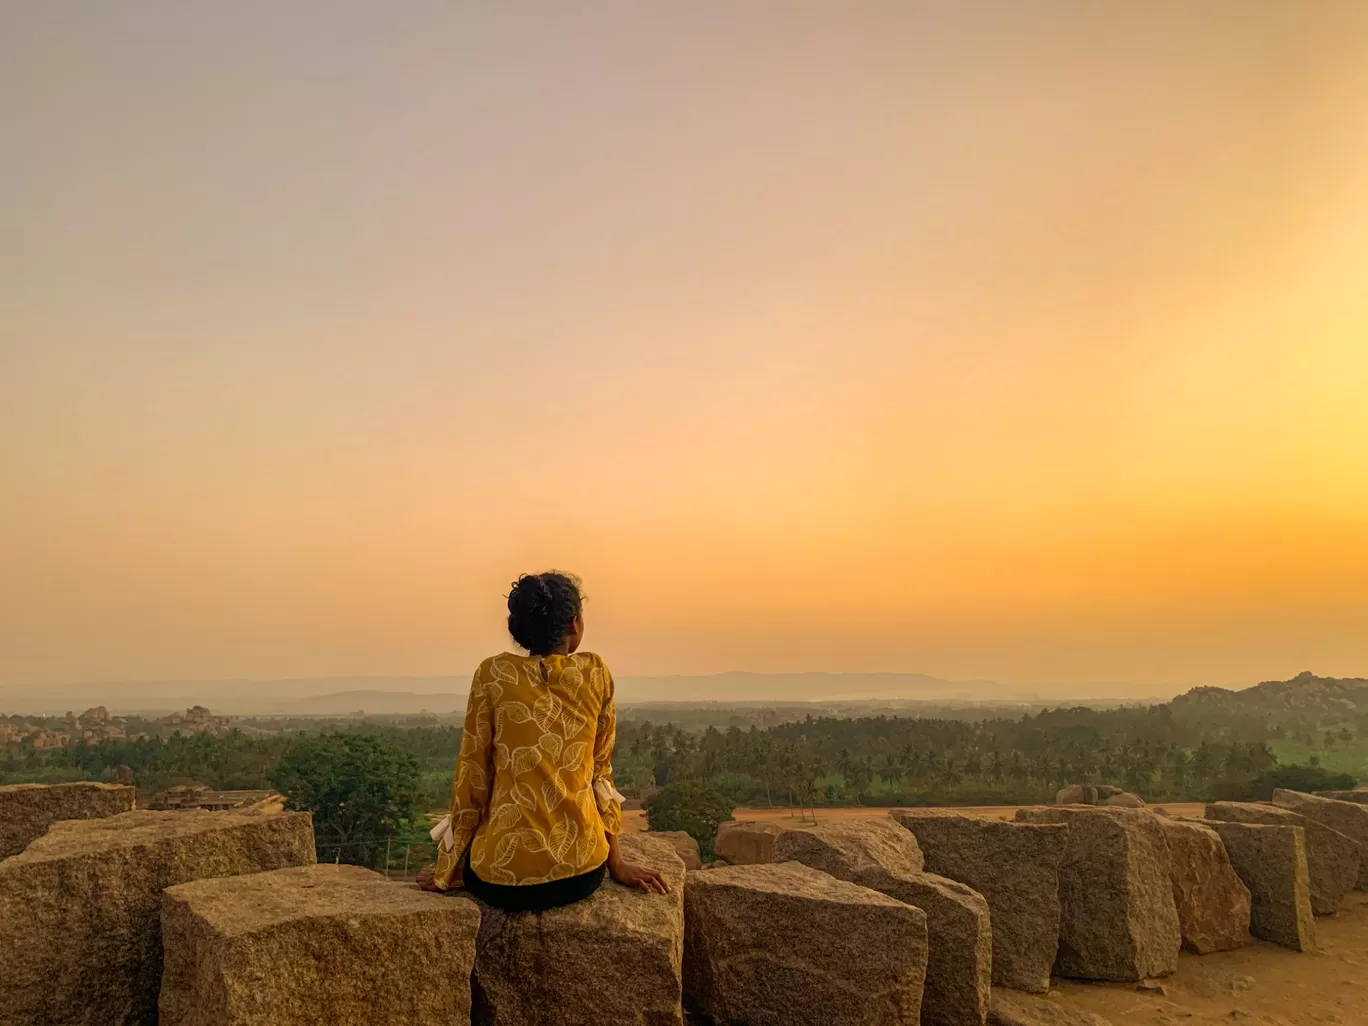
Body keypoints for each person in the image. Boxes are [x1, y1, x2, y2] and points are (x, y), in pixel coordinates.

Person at [417, 571, 668, 911]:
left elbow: (472, 780)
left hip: (502, 881)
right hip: (582, 873)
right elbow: (600, 775)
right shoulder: (595, 673)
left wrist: (448, 869)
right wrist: (617, 864)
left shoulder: (493, 675)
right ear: (574, 625)